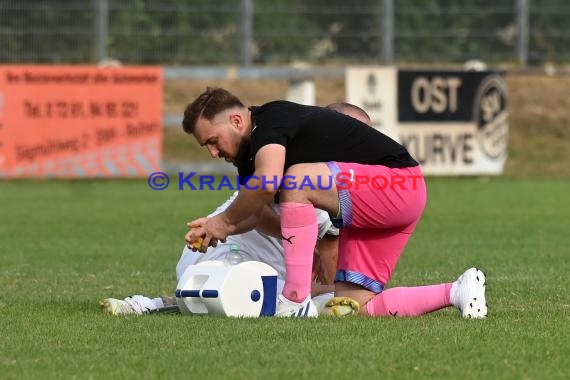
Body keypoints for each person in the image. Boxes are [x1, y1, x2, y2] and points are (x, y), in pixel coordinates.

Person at [183, 87, 487, 319]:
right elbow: (259, 215)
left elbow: (268, 184)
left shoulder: (270, 120)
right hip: (374, 206)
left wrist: (223, 220)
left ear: (236, 120)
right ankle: (459, 290)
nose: (212, 152)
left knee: (296, 178)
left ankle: (294, 300)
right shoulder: (248, 160)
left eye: (212, 141)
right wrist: (216, 228)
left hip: (398, 184)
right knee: (351, 305)